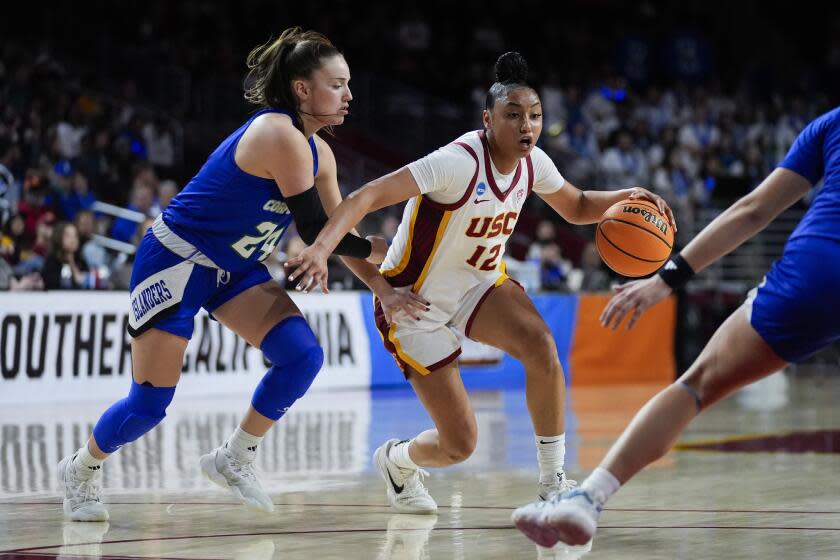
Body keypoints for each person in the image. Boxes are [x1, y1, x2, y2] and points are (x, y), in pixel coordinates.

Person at [57, 27, 424, 522]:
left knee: (302, 357)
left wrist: (382, 287)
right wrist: (388, 247)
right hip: (175, 260)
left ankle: (236, 454)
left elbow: (337, 232)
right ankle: (81, 469)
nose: (349, 95)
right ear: (302, 88)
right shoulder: (278, 133)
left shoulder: (323, 155)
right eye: (337, 84)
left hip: (233, 268)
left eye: (349, 84)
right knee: (148, 405)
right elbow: (317, 228)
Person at [285, 52, 674, 514]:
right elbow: (366, 195)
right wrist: (322, 248)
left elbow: (578, 205)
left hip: (480, 286)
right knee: (461, 445)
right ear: (488, 120)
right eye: (514, 116)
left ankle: (553, 483)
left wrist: (627, 197)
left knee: (542, 348)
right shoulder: (456, 162)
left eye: (534, 116)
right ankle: (397, 459)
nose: (526, 126)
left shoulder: (535, 163)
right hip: (413, 303)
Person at [511, 106, 840, 548]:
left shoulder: (831, 123)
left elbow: (753, 209)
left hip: (820, 271)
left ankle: (588, 498)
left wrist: (669, 277)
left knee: (696, 386)